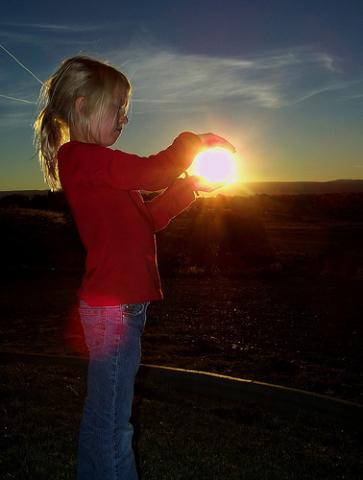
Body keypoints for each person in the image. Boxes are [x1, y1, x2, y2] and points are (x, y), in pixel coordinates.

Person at [33, 55, 234, 480]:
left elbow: (148, 220)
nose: (124, 118)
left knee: (105, 417)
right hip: (114, 311)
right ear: (84, 106)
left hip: (121, 309)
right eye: (117, 108)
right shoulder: (82, 158)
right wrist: (191, 141)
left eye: (126, 110)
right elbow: (150, 169)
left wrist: (188, 188)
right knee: (112, 425)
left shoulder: (99, 169)